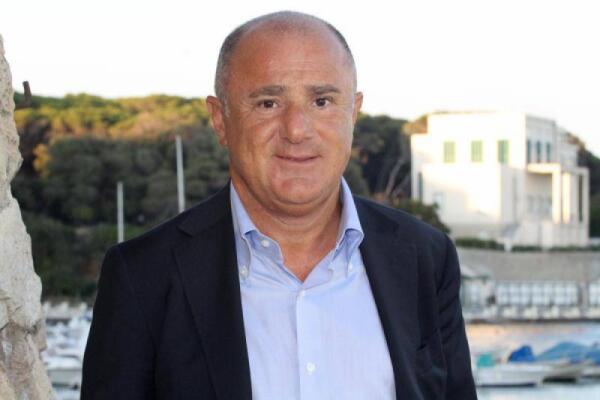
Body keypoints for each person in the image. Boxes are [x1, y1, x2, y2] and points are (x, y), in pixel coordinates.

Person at [81, 11, 477, 400]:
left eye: (321, 101)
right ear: (220, 120)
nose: (297, 130)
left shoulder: (424, 257)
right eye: (268, 103)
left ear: (353, 113)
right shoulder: (143, 276)